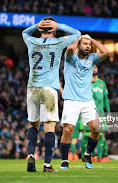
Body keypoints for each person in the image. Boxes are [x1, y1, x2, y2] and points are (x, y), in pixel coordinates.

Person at [22, 17, 80, 173]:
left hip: (32, 88)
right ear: (54, 29)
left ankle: (31, 156)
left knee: (33, 124)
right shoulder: (59, 42)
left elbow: (24, 32)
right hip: (49, 89)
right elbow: (77, 34)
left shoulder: (31, 41)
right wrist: (58, 25)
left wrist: (37, 26)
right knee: (49, 127)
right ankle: (47, 165)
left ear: (41, 29)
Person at [59, 34, 108, 169]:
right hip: (71, 99)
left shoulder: (92, 58)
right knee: (68, 130)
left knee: (96, 128)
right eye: (84, 44)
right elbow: (69, 49)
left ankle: (87, 154)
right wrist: (78, 39)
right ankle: (64, 160)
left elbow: (105, 52)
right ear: (79, 44)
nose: (87, 46)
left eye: (89, 45)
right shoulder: (70, 57)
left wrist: (92, 40)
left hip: (87, 100)